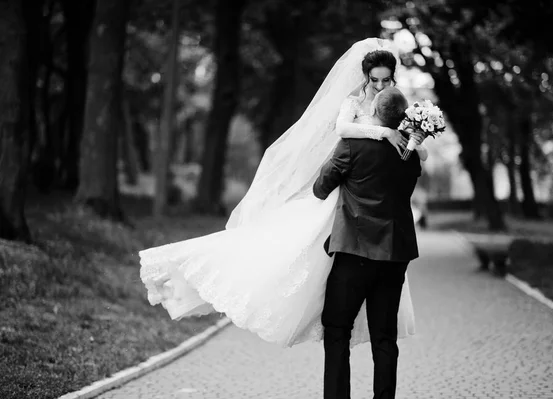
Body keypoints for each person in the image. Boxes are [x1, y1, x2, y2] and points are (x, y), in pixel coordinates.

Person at [139, 38, 426, 348]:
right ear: (366, 77)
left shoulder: (398, 110)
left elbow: (416, 158)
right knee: (296, 255)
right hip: (348, 205)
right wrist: (383, 131)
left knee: (339, 297)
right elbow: (344, 130)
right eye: (375, 80)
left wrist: (415, 139)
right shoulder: (354, 105)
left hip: (366, 214)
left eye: (386, 80)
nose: (381, 86)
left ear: (393, 79)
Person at [314, 87, 421, 399]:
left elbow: (321, 187)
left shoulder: (352, 144)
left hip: (354, 251)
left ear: (374, 108)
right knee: (385, 338)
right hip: (394, 254)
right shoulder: (410, 153)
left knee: (337, 332)